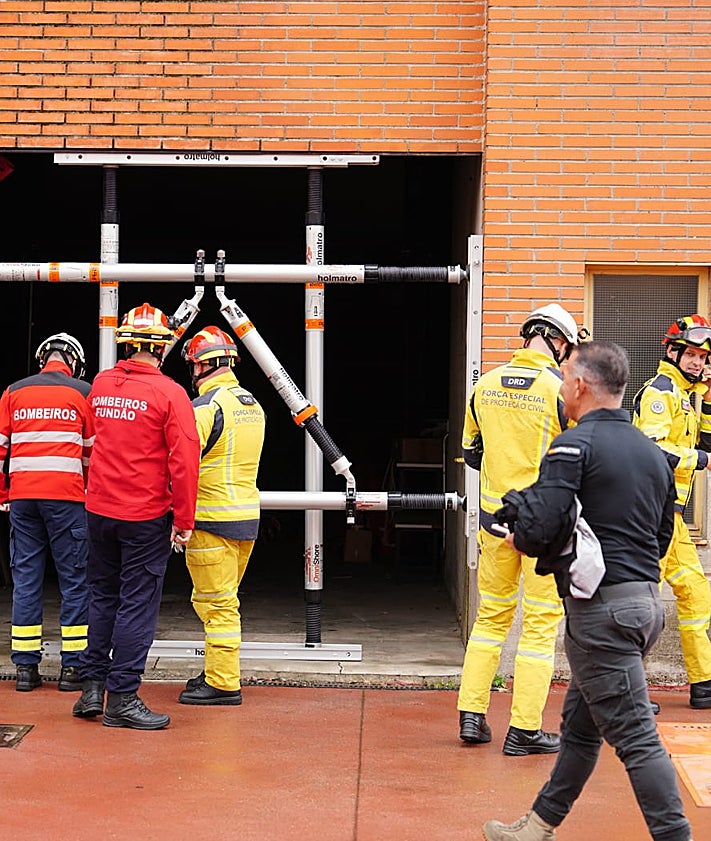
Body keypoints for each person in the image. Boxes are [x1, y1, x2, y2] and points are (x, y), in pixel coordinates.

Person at [482, 341, 692, 841]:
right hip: (643, 606)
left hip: (601, 616)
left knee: (638, 740)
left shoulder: (573, 445)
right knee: (579, 730)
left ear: (579, 385)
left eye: (562, 374)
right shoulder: (653, 454)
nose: (559, 384)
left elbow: (542, 525)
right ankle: (535, 828)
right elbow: (663, 535)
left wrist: (520, 536)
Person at [458, 303, 581, 755]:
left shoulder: (484, 385)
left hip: (494, 522)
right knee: (539, 626)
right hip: (542, 530)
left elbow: (472, 452)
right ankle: (524, 729)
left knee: (490, 617)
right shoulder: (559, 389)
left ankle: (472, 715)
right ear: (559, 342)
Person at [72, 303, 200, 730]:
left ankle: (91, 687)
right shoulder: (170, 394)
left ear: (126, 342)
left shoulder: (101, 385)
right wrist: (184, 519)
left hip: (99, 511)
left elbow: (90, 441)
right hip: (144, 515)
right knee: (136, 604)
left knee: (102, 596)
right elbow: (185, 461)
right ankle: (122, 697)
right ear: (162, 348)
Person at [0, 333, 93, 693]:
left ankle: (25, 669)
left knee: (26, 579)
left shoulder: (12, 392)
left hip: (23, 500)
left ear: (43, 359)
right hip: (68, 499)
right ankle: (72, 669)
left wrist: (5, 493)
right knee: (74, 581)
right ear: (74, 362)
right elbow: (91, 454)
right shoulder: (83, 393)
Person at [178, 326, 265, 706]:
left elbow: (182, 465)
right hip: (246, 519)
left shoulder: (204, 408)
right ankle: (217, 669)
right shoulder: (251, 404)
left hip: (211, 521)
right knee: (224, 600)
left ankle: (224, 684)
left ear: (200, 367)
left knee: (216, 606)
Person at [632, 314, 711, 710]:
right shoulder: (660, 392)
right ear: (672, 351)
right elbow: (652, 449)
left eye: (703, 357)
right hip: (649, 516)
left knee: (696, 595)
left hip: (671, 517)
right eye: (692, 355)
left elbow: (709, 443)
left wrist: (710, 398)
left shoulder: (685, 395)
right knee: (641, 602)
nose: (698, 363)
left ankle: (704, 684)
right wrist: (697, 459)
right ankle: (630, 688)